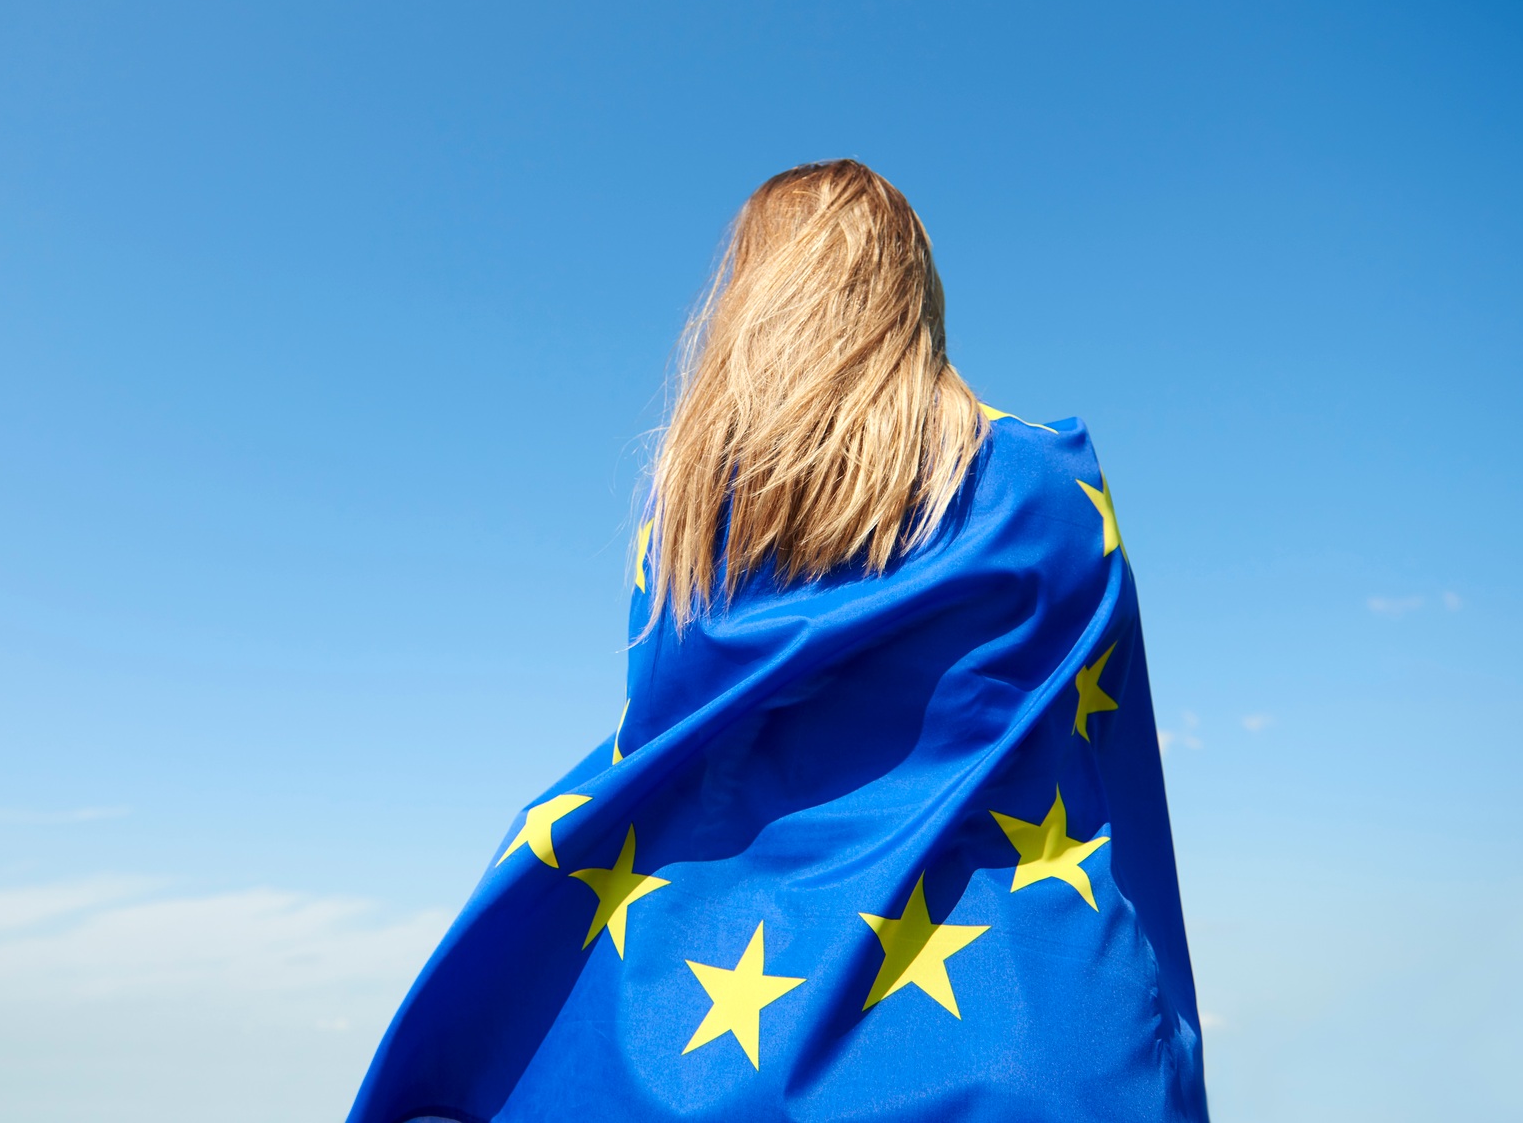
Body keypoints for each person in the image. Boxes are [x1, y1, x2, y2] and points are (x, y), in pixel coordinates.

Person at [348, 161, 1208, 1122]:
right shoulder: (1045, 485)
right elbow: (1113, 753)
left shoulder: (685, 526)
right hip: (1034, 1035)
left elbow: (678, 748)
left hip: (719, 1049)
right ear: (912, 292)